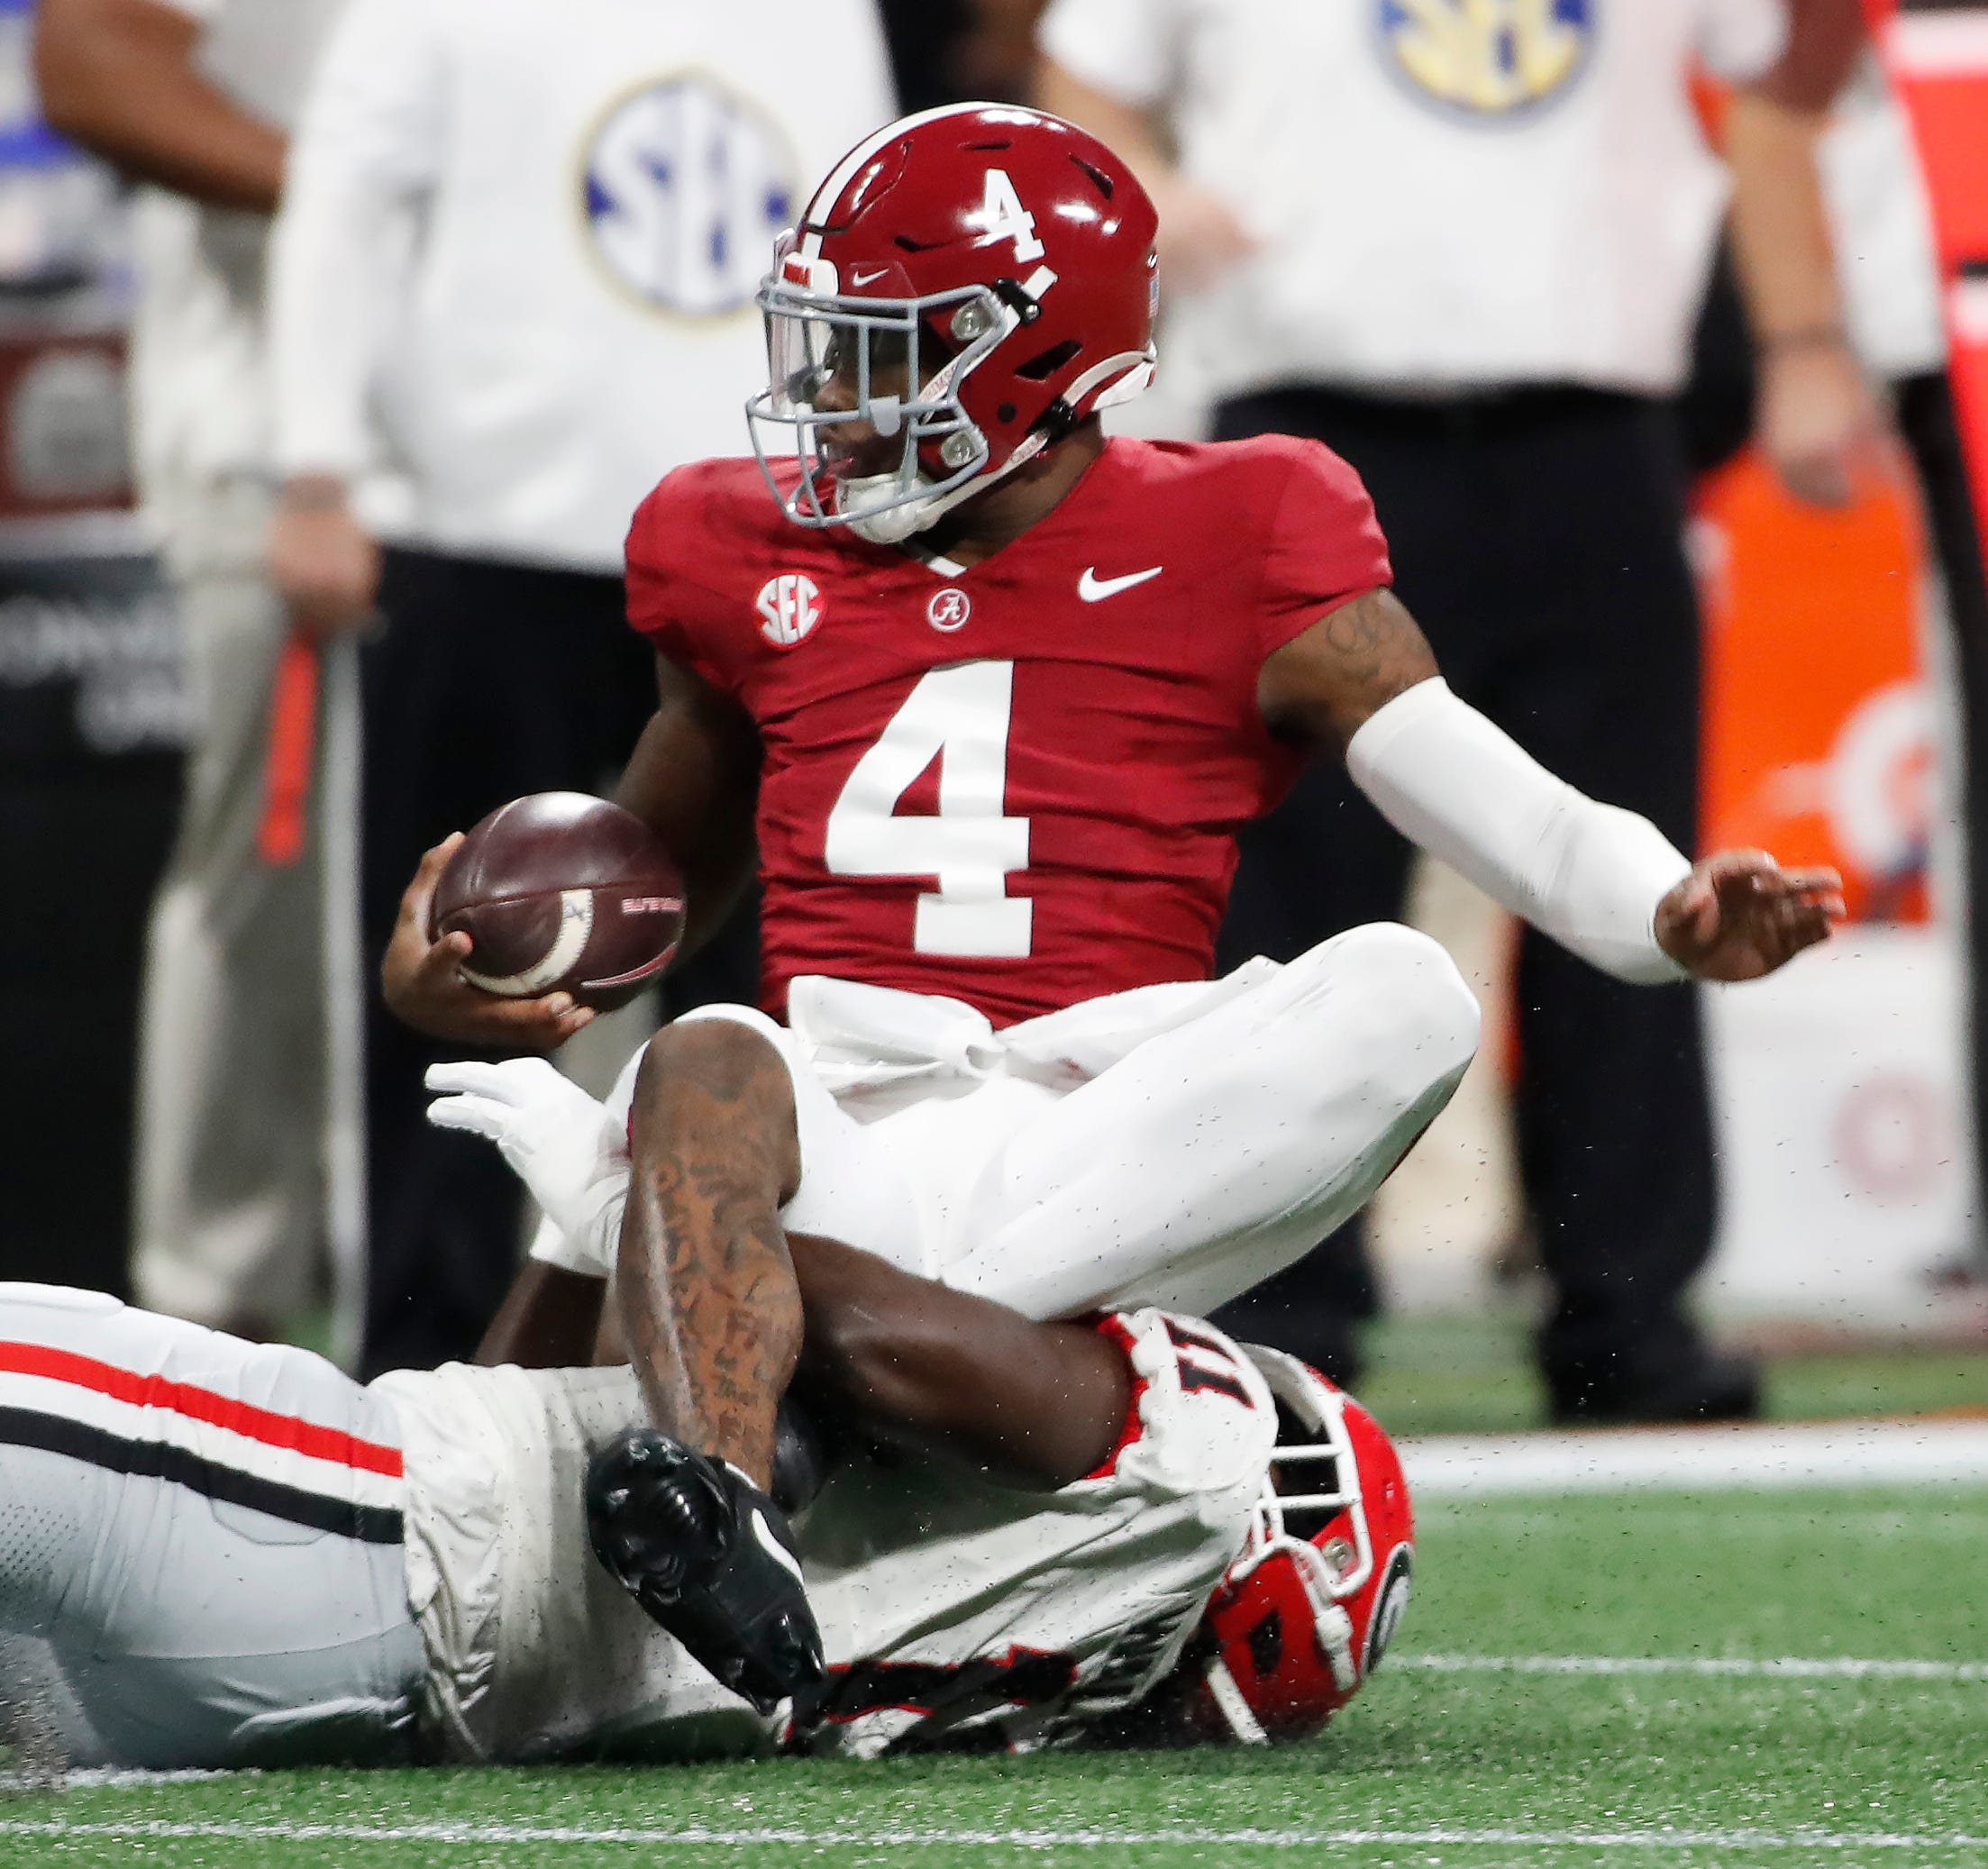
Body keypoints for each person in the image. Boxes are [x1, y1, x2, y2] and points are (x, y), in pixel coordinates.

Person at [377, 108, 1836, 1690]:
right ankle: (731, 1499)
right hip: (845, 1135)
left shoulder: (1244, 523)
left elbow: (1506, 807)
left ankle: (799, 1359)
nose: (831, 398)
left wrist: (1664, 908)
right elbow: (648, 885)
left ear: (1030, 357)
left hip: (1101, 1131)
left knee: (1407, 986)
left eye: (884, 352)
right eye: (828, 348)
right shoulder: (735, 548)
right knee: (707, 1052)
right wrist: (483, 971)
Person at [0, 1226, 1400, 1789]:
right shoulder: (1052, 1685)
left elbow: (814, 1287)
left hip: (340, 1511)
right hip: (318, 1688)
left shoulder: (1170, 1444)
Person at [1035, 0, 1876, 1418]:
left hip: (1592, 422)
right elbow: (1081, 82)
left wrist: (1800, 341)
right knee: (1286, 923)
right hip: (1301, 428)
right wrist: (1145, 192)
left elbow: (1783, 79)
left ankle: (1629, 1320)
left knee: (1634, 882)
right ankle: (1277, 1326)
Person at [264, 0, 894, 1374]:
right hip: (485, 530)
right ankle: (418, 1374)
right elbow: (341, 199)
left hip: (768, 543)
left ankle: (791, 1365)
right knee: (460, 971)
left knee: (778, 999)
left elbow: (867, 240)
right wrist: (315, 464)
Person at [32, 0, 353, 1345]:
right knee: (263, 881)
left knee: (554, 872)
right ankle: (212, 1308)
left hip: (506, 459)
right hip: (274, 450)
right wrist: (371, 196)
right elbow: (86, 58)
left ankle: (553, 1286)